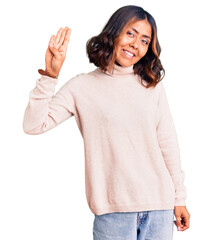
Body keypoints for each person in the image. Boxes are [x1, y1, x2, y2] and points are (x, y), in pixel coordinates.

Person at [23, 5, 190, 240]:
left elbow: (168, 145)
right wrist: (49, 76)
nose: (135, 44)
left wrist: (179, 199)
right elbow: (33, 125)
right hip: (112, 212)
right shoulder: (82, 87)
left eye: (144, 40)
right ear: (113, 33)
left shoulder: (152, 86)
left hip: (159, 208)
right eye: (130, 33)